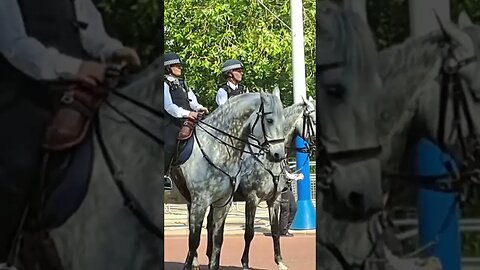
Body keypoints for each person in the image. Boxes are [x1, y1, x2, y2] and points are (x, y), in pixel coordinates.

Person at [0, 0, 140, 268]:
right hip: (22, 94)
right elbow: (16, 47)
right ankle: (7, 253)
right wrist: (76, 68)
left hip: (78, 93)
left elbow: (91, 35)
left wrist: (113, 51)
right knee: (20, 163)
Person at [163, 52, 208, 189]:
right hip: (171, 122)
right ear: (168, 68)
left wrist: (199, 108)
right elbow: (169, 106)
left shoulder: (183, 83)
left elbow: (192, 100)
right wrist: (188, 113)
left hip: (188, 120)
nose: (180, 68)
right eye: (177, 66)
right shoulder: (164, 84)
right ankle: (164, 175)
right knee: (169, 143)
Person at [279, 167, 303, 237]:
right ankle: (283, 230)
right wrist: (296, 177)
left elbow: (288, 174)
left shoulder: (285, 163)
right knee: (285, 210)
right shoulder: (279, 163)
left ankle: (285, 228)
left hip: (288, 188)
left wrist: (295, 176)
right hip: (283, 189)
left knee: (293, 208)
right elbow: (285, 174)